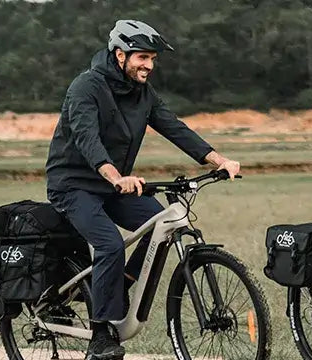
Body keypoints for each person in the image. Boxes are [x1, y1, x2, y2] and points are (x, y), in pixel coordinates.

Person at [45, 19, 243, 360]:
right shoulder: (86, 87)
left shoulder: (143, 94)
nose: (149, 66)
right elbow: (86, 138)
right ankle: (101, 334)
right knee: (108, 244)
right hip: (74, 185)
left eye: (152, 59)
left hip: (112, 186)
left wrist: (219, 159)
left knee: (161, 224)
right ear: (120, 55)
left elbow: (174, 127)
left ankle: (115, 285)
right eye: (142, 58)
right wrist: (115, 176)